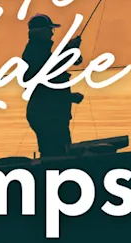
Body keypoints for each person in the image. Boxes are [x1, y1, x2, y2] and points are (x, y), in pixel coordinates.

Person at [21, 13, 84, 158]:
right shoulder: (34, 52)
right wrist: (68, 49)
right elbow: (47, 75)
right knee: (56, 154)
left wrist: (69, 97)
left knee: (57, 152)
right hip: (47, 114)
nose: (51, 33)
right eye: (50, 29)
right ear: (41, 31)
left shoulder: (40, 51)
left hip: (49, 112)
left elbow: (51, 75)